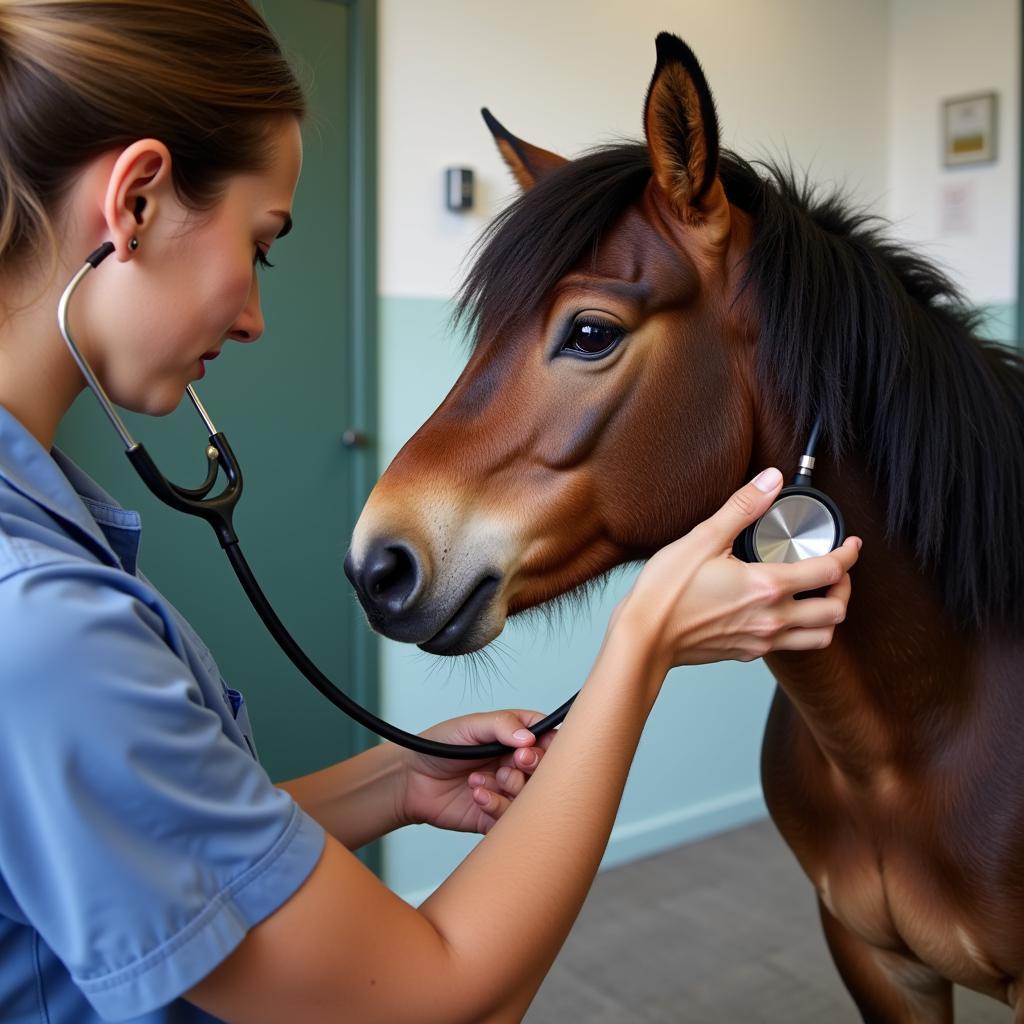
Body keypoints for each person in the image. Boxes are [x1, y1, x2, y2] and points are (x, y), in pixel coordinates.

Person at [0, 2, 861, 1021]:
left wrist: (393, 778)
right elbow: (435, 1001)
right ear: (134, 200)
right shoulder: (43, 626)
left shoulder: (47, 539)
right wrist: (643, 643)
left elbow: (158, 848)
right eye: (262, 244)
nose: (254, 317)